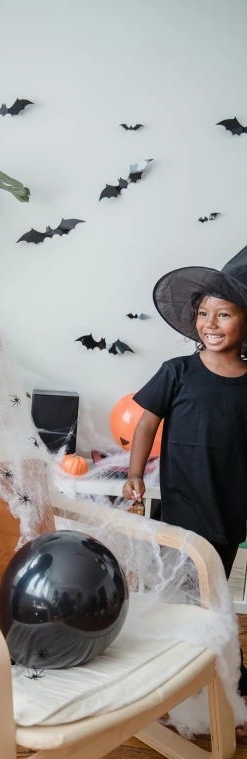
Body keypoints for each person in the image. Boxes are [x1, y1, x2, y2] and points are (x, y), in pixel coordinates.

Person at [122, 246, 247, 727]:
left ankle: (217, 666)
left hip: (228, 510)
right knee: (176, 590)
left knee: (213, 594)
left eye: (224, 313)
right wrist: (135, 474)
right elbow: (145, 424)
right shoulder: (178, 371)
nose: (210, 323)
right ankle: (170, 670)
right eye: (202, 313)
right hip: (180, 508)